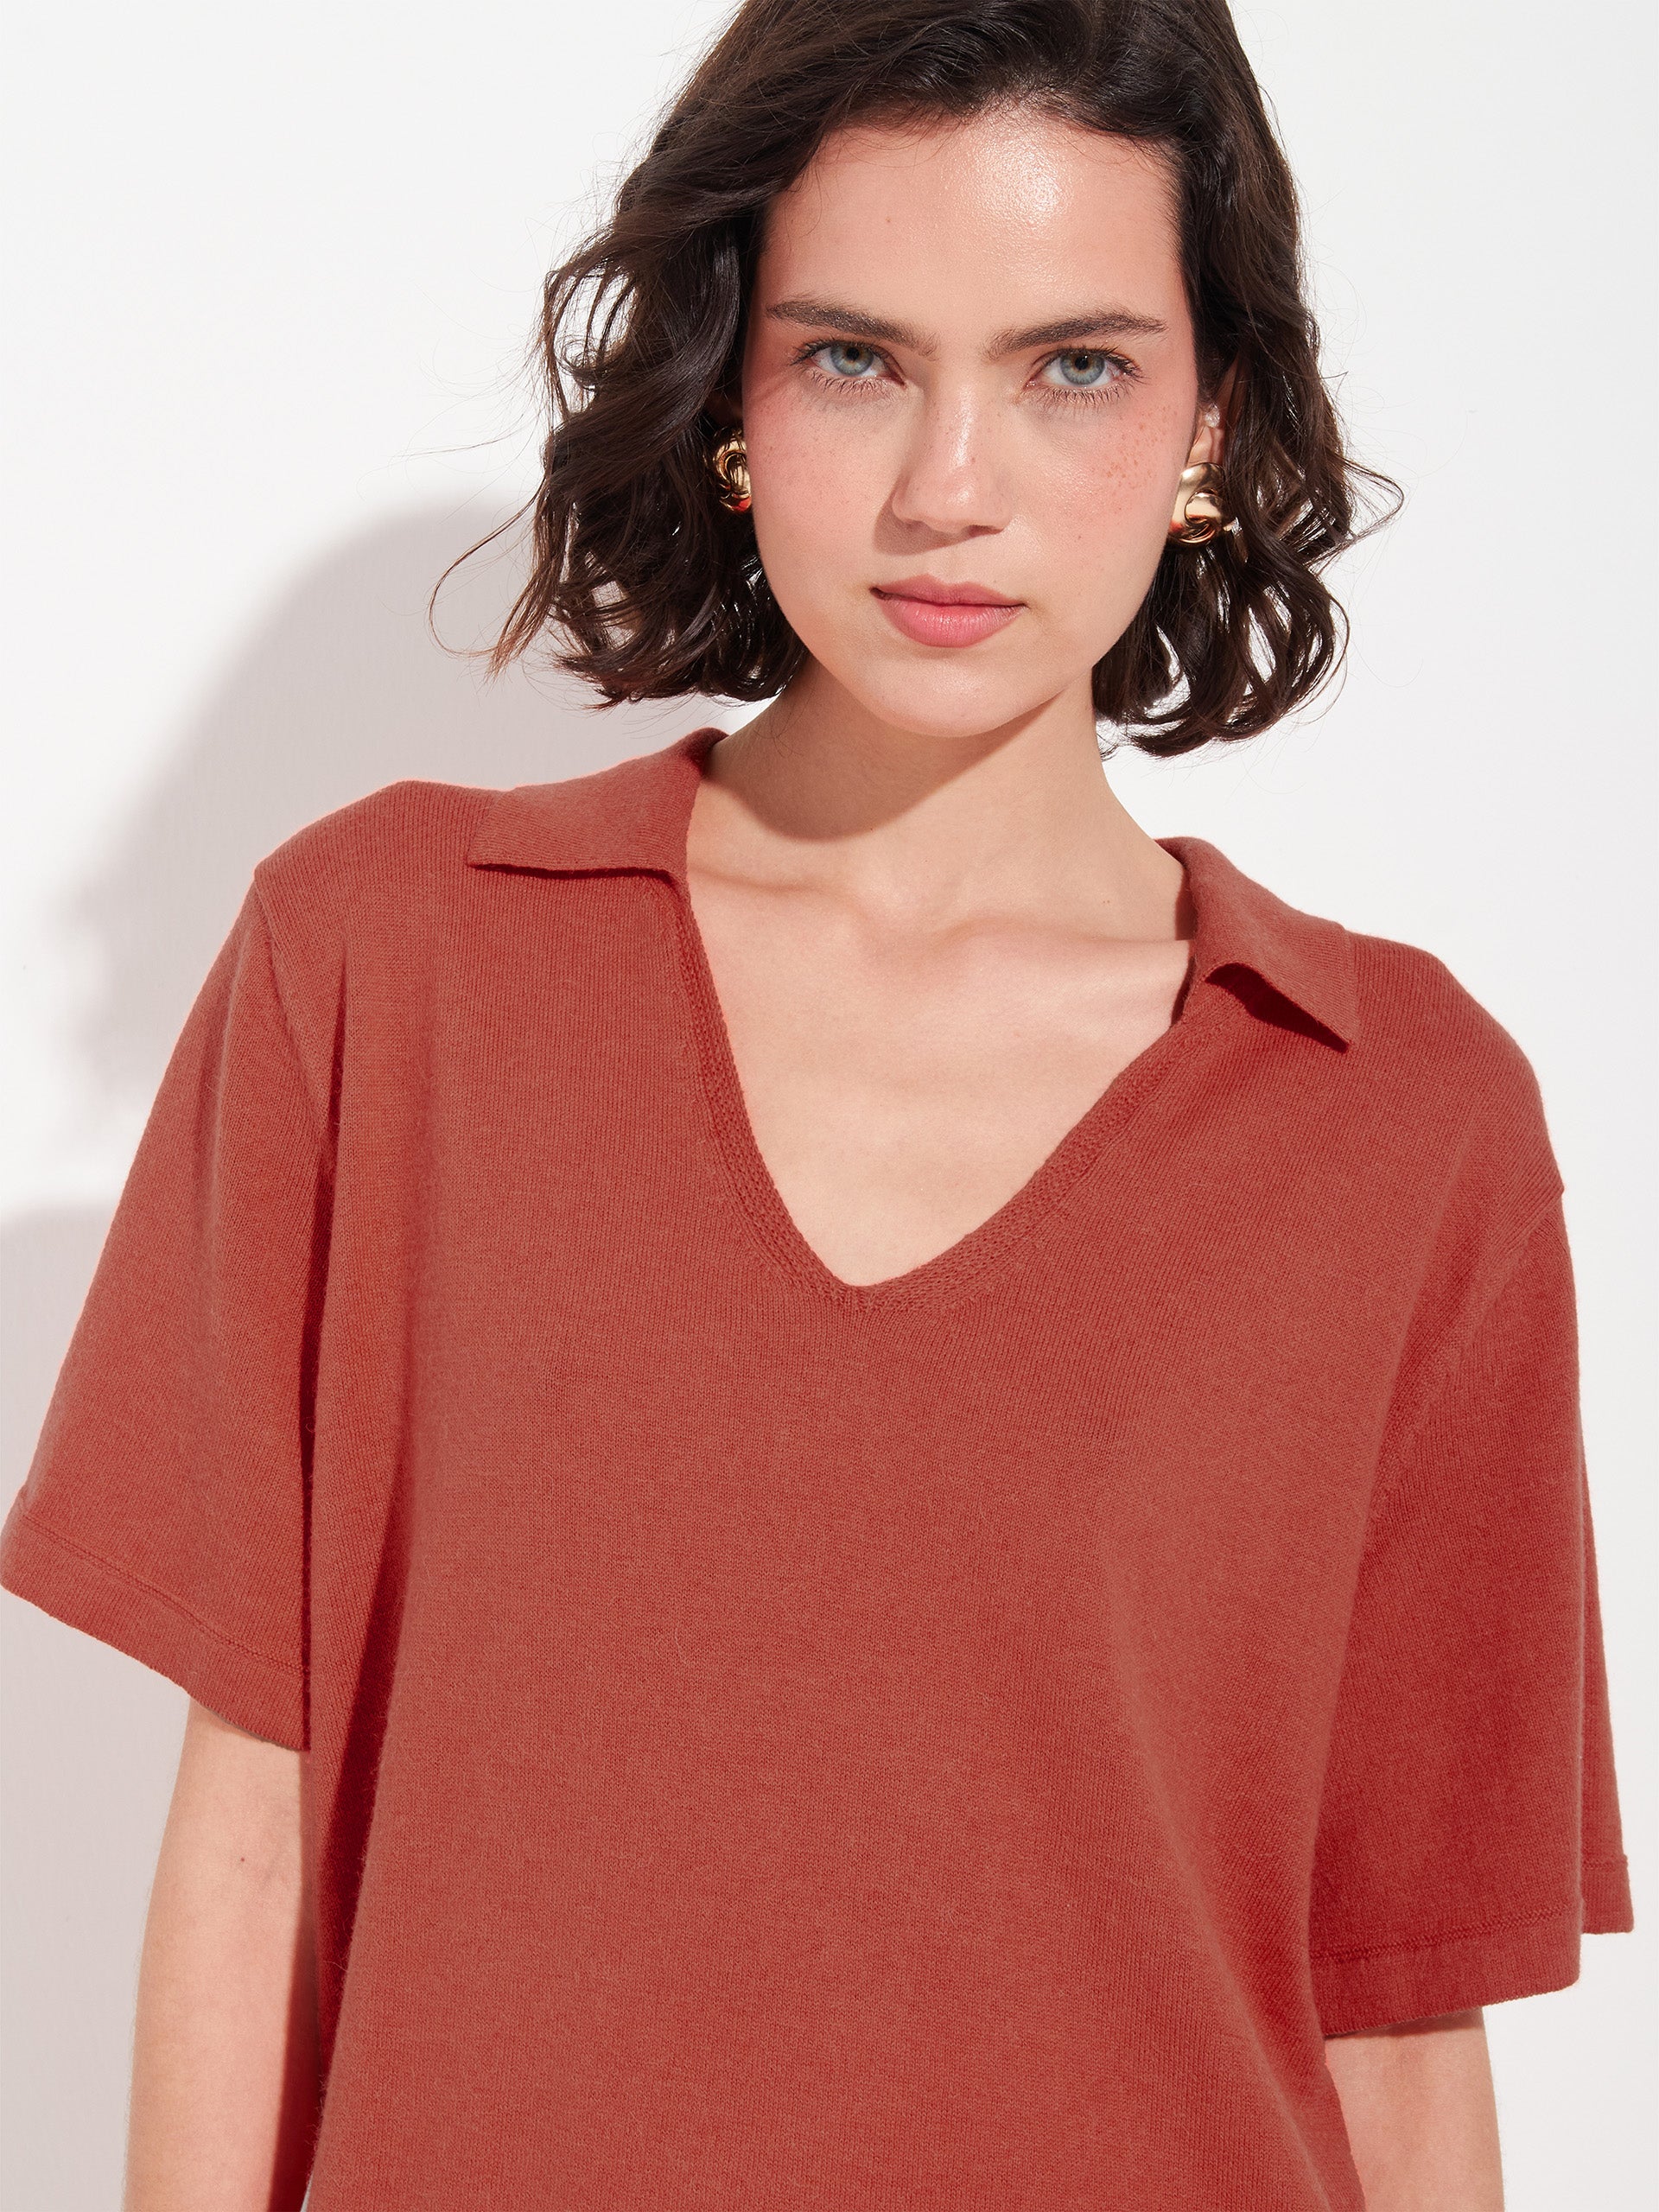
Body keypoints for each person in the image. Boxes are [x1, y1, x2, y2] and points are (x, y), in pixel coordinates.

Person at [0, 1, 1635, 2205]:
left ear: (1214, 422)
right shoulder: (386, 965)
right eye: (857, 357)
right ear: (733, 401)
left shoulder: (1398, 1118)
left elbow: (1398, 2027)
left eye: (1075, 367)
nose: (951, 485)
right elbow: (247, 1842)